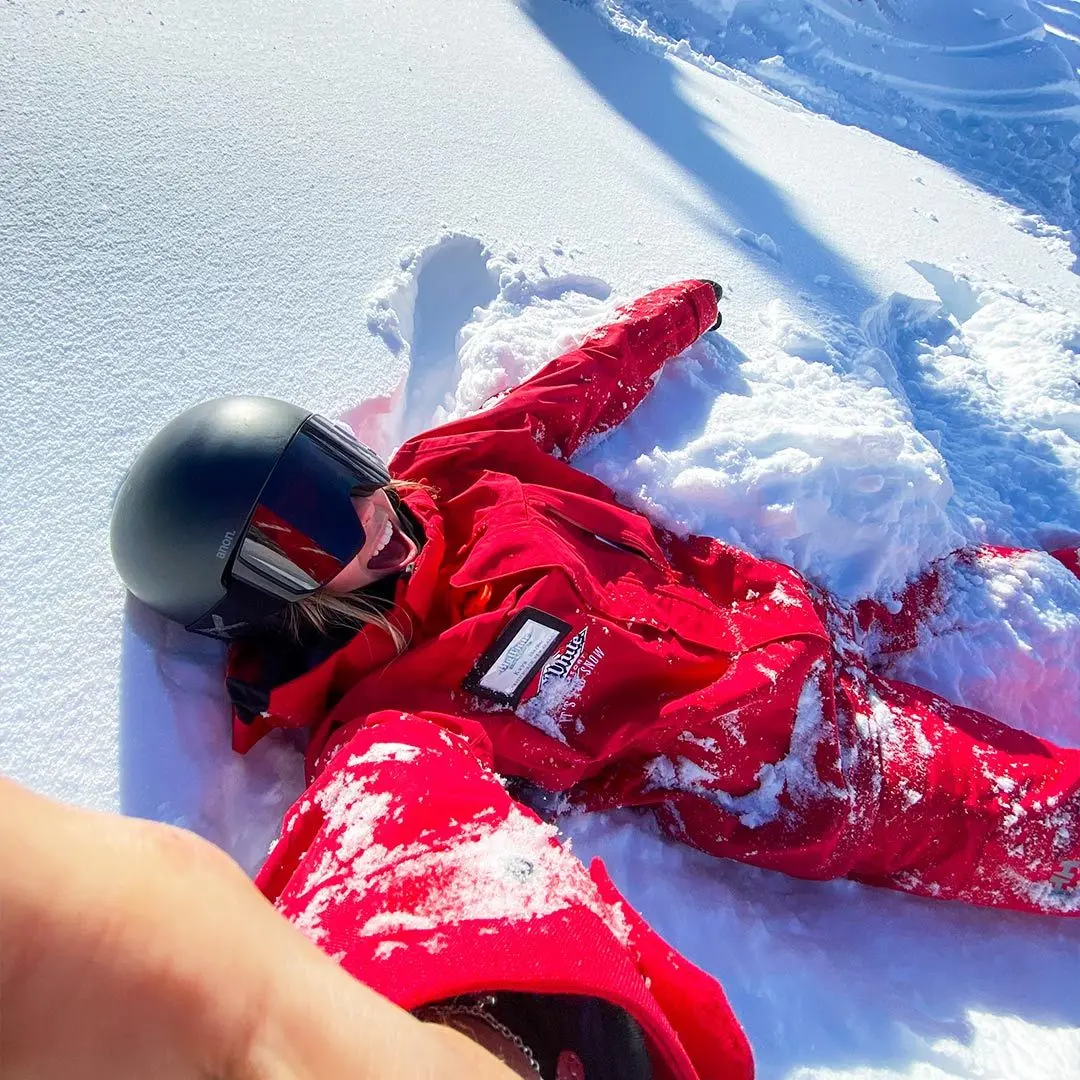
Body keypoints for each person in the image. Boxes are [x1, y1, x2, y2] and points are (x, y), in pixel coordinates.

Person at [110, 279, 1079, 1071]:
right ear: (265, 599)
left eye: (335, 473)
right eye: (308, 534)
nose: (366, 513)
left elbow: (571, 389)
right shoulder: (388, 712)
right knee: (1039, 817)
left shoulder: (452, 470)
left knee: (1041, 602)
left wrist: (674, 317)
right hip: (799, 762)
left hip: (797, 608)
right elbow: (409, 824)